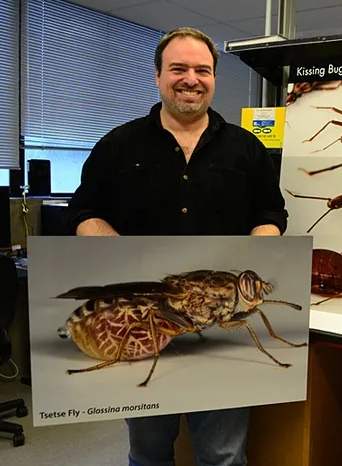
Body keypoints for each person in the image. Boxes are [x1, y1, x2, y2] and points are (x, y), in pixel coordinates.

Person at [64, 27, 288, 466]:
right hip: (149, 321)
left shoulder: (247, 148)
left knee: (223, 454)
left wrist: (256, 256)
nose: (191, 79)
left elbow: (272, 214)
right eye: (178, 68)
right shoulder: (118, 145)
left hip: (221, 332)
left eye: (202, 70)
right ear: (158, 76)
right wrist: (120, 249)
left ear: (214, 78)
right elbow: (81, 212)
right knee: (147, 453)